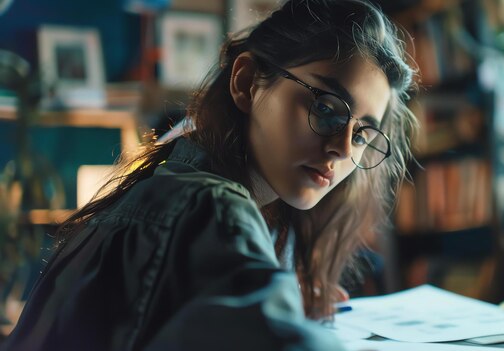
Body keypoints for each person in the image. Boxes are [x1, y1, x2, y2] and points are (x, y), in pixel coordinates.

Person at [1, 0, 418, 349]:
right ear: (247, 81)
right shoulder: (207, 204)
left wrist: (281, 303)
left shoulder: (181, 189)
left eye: (363, 134)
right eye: (326, 109)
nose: (344, 148)